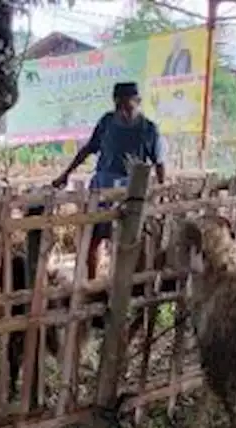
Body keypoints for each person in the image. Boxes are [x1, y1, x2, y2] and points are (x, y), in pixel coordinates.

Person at [51, 81, 166, 279]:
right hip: (101, 188)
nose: (123, 111)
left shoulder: (148, 130)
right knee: (92, 238)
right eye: (119, 106)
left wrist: (161, 191)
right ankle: (92, 282)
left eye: (128, 107)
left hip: (130, 191)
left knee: (127, 242)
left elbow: (159, 163)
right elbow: (88, 149)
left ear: (138, 102)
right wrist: (65, 174)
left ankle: (121, 283)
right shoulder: (107, 122)